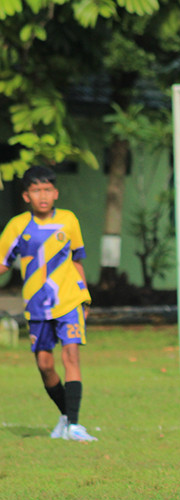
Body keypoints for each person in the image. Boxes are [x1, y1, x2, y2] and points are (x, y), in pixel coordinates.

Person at [0, 166, 97, 441]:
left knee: (71, 356)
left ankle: (75, 426)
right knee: (45, 366)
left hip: (69, 300)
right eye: (36, 190)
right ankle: (67, 417)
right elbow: (3, 263)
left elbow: (77, 260)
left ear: (55, 193)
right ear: (26, 195)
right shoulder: (17, 226)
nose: (42, 195)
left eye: (47, 190)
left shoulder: (68, 221)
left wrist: (85, 296)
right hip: (37, 305)